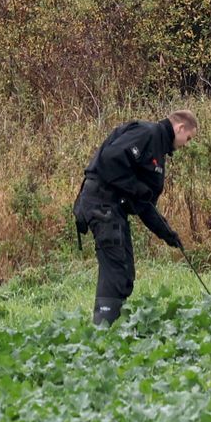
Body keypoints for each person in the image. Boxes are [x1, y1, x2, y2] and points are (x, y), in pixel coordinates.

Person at [73, 110, 198, 326]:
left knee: (125, 274)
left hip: (113, 208)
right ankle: (103, 331)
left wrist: (167, 234)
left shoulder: (158, 149)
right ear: (180, 128)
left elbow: (145, 204)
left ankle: (114, 326)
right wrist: (136, 187)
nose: (186, 144)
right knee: (116, 269)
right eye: (188, 138)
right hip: (101, 204)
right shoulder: (147, 133)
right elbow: (110, 160)